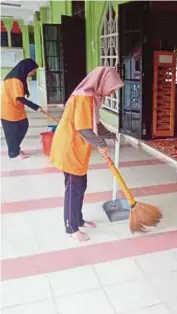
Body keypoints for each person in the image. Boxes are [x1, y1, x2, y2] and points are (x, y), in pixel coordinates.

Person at [49, 67, 124, 242]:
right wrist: (101, 144)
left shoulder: (91, 97)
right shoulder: (84, 98)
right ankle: (71, 227)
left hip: (76, 148)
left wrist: (108, 135)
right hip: (69, 148)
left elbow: (93, 123)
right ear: (103, 82)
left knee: (80, 186)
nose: (112, 92)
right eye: (112, 87)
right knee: (73, 189)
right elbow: (83, 128)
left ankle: (78, 219)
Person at [1, 59, 42, 159]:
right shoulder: (14, 80)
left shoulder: (19, 77)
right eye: (33, 71)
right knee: (12, 132)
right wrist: (35, 107)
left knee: (23, 126)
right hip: (8, 110)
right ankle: (14, 152)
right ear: (27, 69)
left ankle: (15, 149)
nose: (33, 73)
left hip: (16, 109)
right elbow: (19, 98)